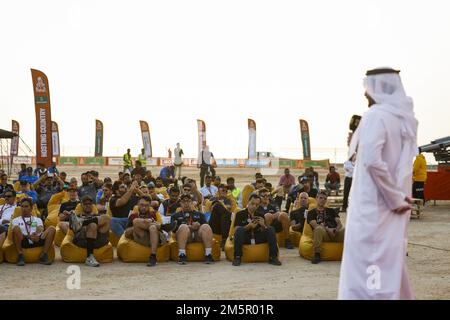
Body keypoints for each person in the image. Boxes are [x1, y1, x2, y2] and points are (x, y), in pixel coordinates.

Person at [339, 67, 417, 300]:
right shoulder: (400, 117)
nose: (365, 94)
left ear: (380, 87)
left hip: (374, 206)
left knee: (368, 267)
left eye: (368, 87)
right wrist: (398, 196)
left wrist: (394, 199)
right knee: (387, 262)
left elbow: (373, 161)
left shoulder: (376, 116)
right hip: (391, 202)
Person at [232, 194, 281, 266]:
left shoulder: (260, 215)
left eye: (257, 205)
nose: (254, 206)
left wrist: (263, 225)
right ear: (248, 202)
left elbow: (264, 230)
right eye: (252, 203)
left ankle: (273, 257)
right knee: (239, 230)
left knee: (271, 229)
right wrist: (249, 226)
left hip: (257, 236)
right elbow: (236, 230)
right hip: (246, 237)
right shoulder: (240, 214)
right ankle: (237, 257)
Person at [68, 195, 111, 267]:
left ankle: (82, 222)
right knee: (92, 225)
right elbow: (72, 228)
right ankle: (89, 257)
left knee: (106, 217)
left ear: (92, 205)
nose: (87, 205)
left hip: (99, 240)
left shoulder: (98, 216)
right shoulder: (77, 216)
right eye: (85, 204)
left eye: (89, 204)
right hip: (82, 240)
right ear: (81, 205)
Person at [171, 193, 214, 264]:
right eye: (184, 202)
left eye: (188, 201)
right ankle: (182, 255)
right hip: (186, 236)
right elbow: (174, 229)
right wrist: (189, 227)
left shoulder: (200, 214)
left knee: (206, 226)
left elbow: (207, 228)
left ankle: (208, 254)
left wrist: (199, 225)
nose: (186, 203)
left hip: (197, 235)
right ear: (180, 203)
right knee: (183, 227)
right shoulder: (175, 215)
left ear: (192, 203)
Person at [124, 196, 167, 267]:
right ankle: (163, 226)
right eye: (141, 205)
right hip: (142, 237)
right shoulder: (133, 216)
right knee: (136, 221)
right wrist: (140, 224)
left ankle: (153, 256)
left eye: (146, 205)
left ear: (150, 206)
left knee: (153, 227)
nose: (144, 207)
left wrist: (149, 224)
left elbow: (162, 233)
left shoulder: (154, 214)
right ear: (138, 204)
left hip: (156, 237)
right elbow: (126, 233)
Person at [12, 197, 56, 266]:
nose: (24, 209)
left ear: (31, 208)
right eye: (22, 206)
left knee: (52, 228)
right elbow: (16, 233)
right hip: (24, 240)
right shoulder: (15, 220)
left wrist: (37, 234)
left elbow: (40, 228)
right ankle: (20, 255)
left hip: (37, 239)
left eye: (26, 206)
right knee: (16, 228)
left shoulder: (37, 219)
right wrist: (28, 236)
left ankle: (43, 254)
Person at [307, 191, 345, 264]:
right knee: (318, 229)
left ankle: (351, 254)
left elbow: (339, 224)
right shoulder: (311, 212)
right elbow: (315, 225)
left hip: (335, 232)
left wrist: (336, 230)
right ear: (316, 198)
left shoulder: (331, 211)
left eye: (324, 198)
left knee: (346, 230)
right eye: (320, 198)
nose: (322, 200)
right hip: (324, 234)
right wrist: (328, 230)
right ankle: (317, 254)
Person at [207, 184, 234, 249]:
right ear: (218, 191)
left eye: (226, 191)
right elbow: (211, 208)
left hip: (224, 224)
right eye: (223, 190)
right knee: (217, 206)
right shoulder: (213, 198)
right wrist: (220, 203)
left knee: (226, 215)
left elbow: (228, 209)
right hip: (214, 222)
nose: (225, 192)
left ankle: (224, 239)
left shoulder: (228, 200)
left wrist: (223, 203)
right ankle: (225, 239)